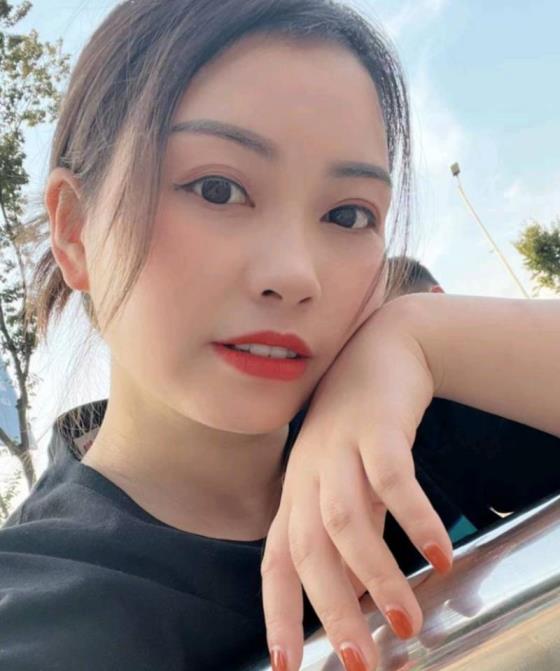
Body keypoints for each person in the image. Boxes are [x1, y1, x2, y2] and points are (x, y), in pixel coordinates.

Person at [0, 2, 558, 671]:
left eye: (347, 214)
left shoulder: (415, 422)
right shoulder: (40, 619)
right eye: (217, 189)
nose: (294, 274)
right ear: (74, 231)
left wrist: (419, 334)